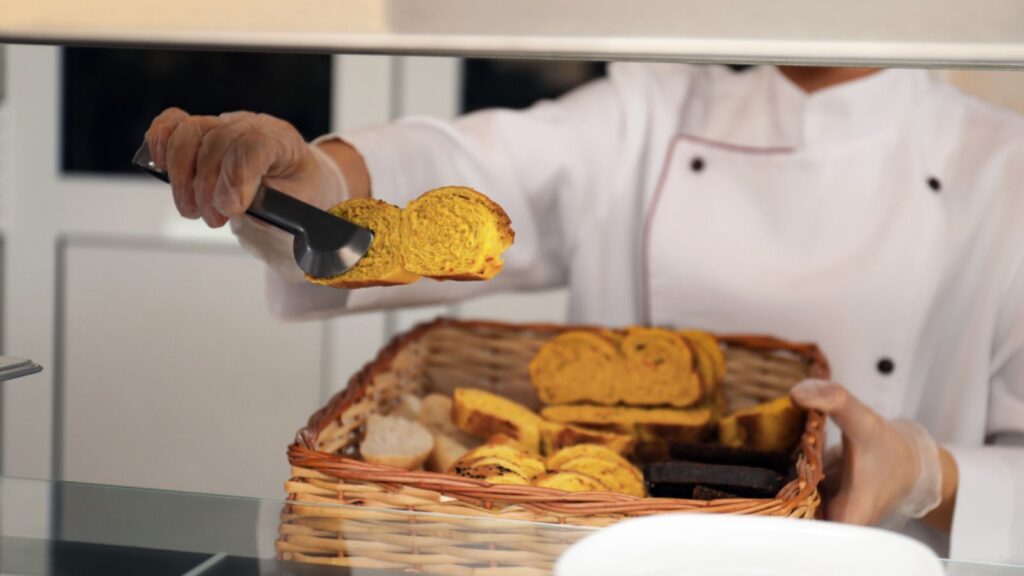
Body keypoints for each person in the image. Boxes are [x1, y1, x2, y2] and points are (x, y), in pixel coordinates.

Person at [145, 63, 1024, 563]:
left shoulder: (1001, 168)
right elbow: (464, 163)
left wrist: (926, 471)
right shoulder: (651, 110)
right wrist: (316, 186)